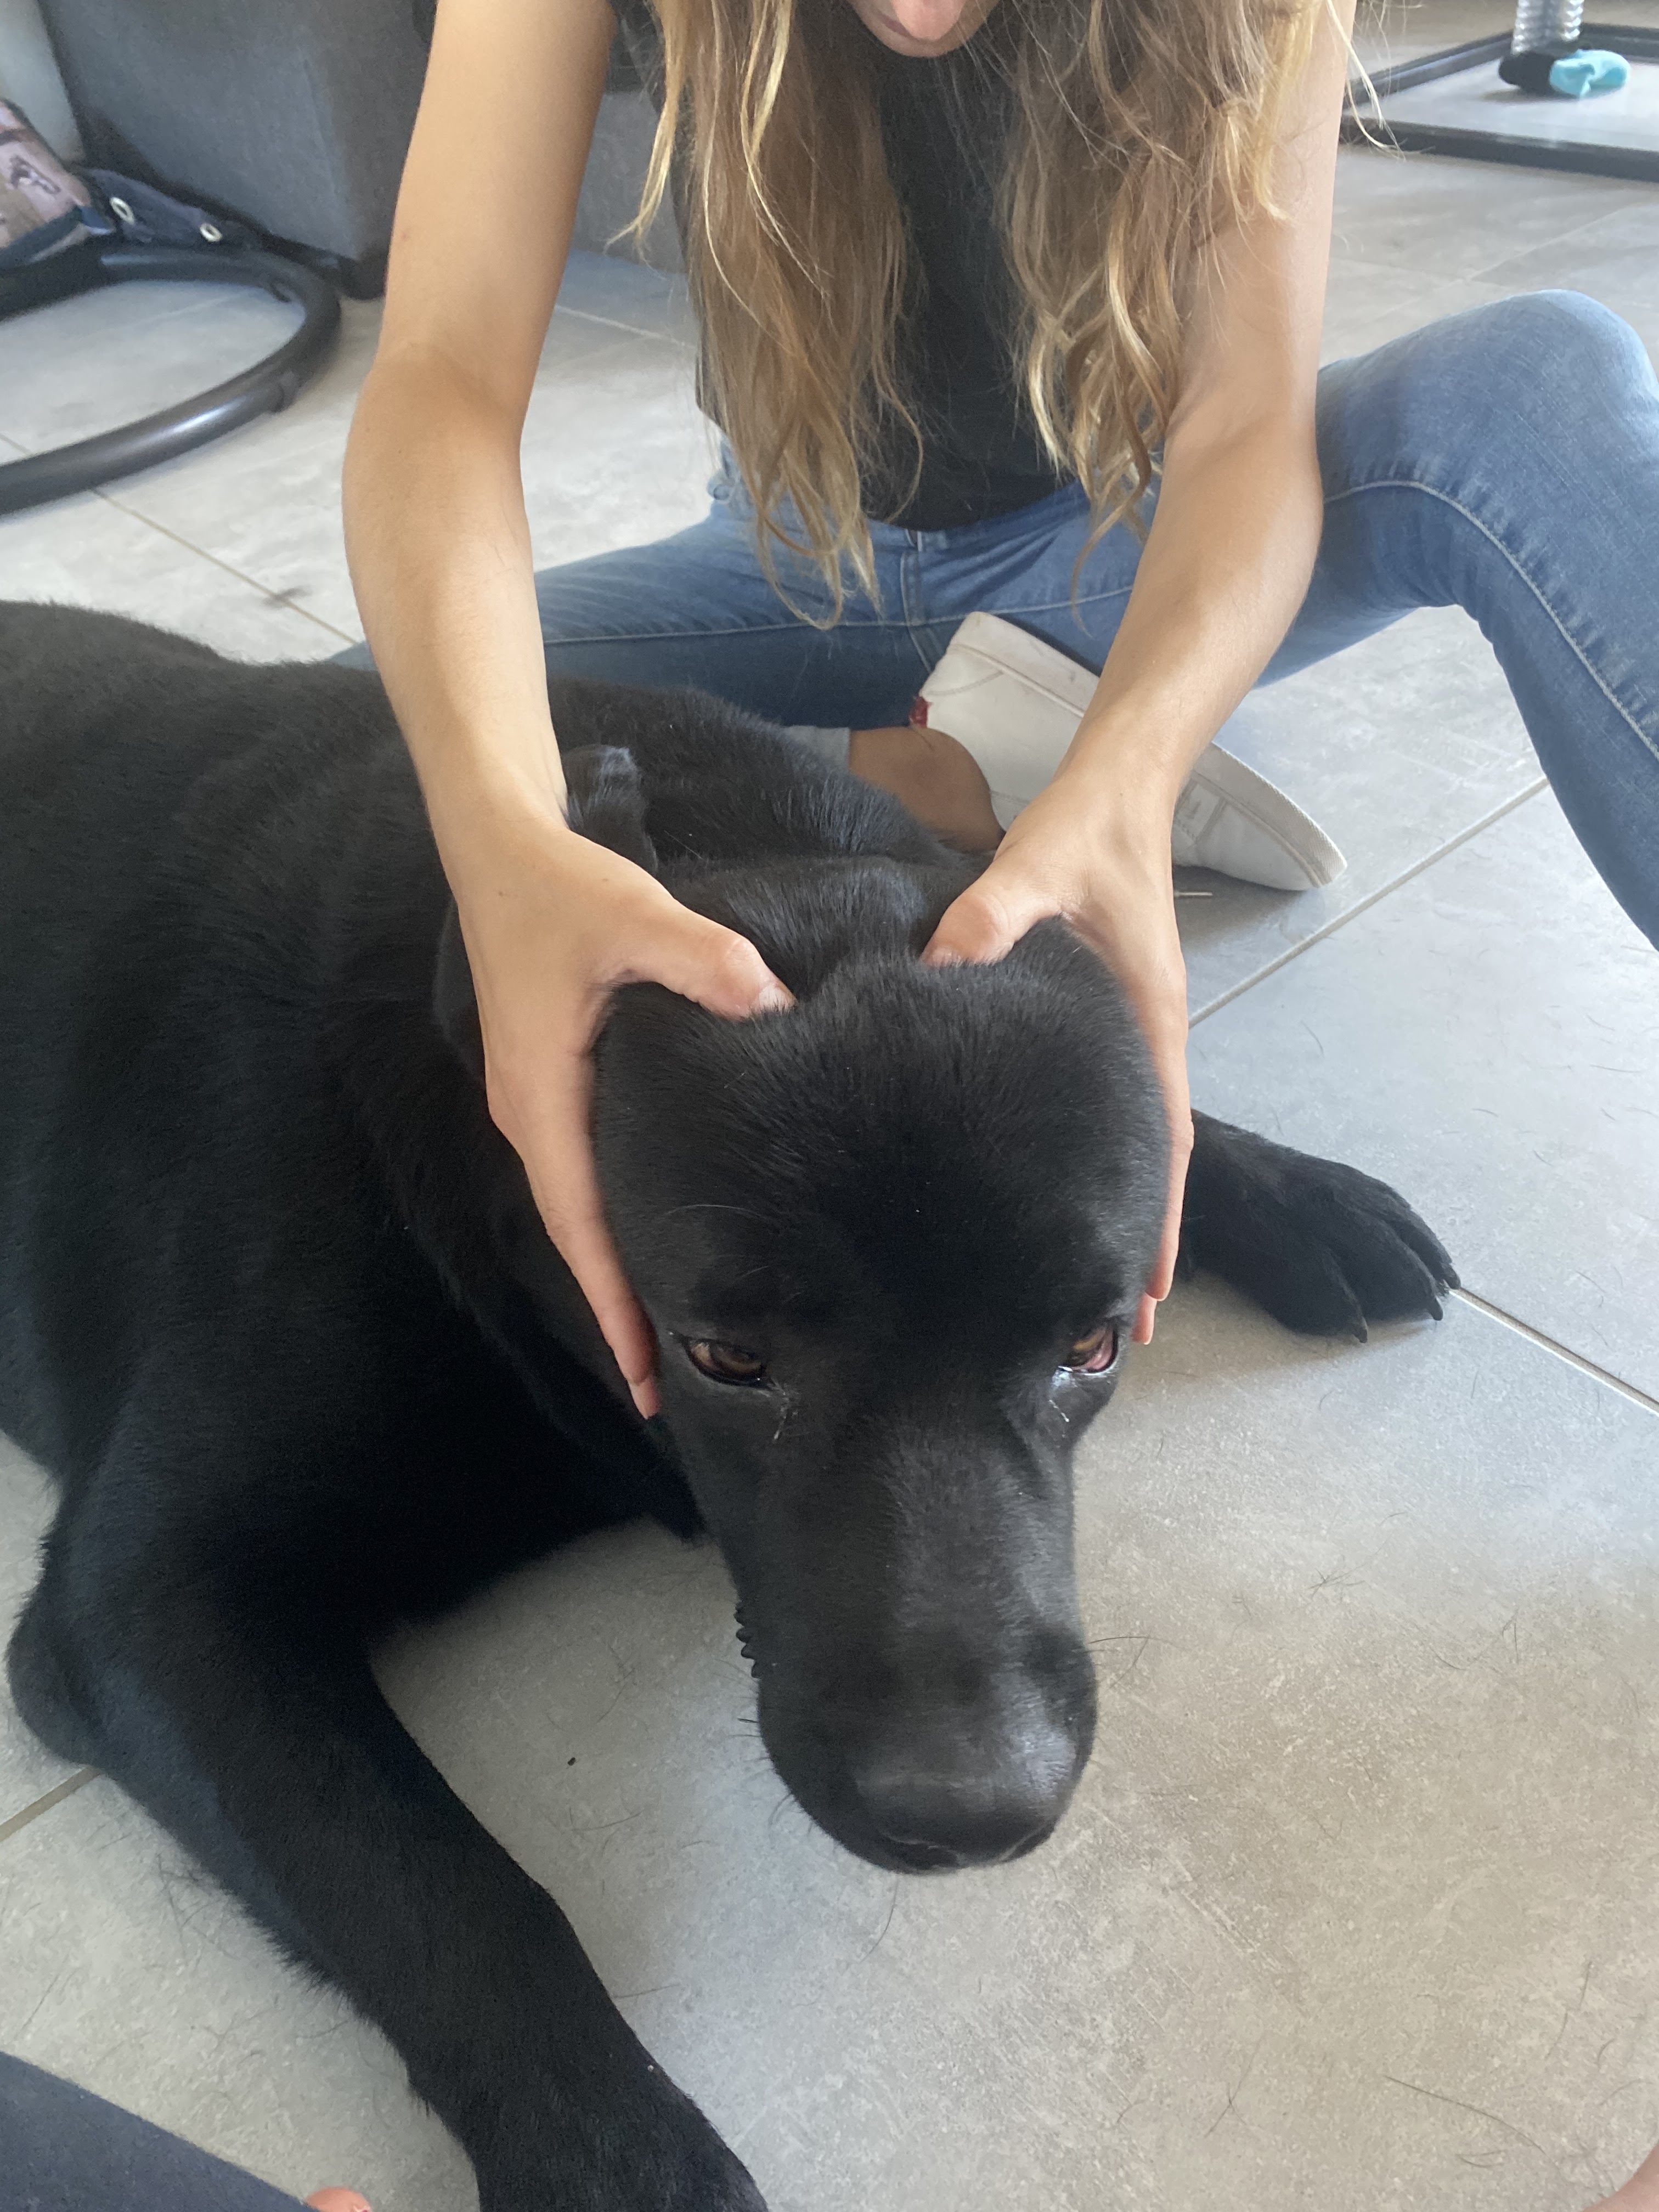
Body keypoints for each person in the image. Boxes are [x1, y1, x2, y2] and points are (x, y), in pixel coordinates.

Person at [341, 0, 1657, 1417]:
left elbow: (1240, 425)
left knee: (1535, 383)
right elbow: (442, 375)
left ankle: (1050, 747)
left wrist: (1133, 775)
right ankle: (913, 764)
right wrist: (499, 843)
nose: (921, 14)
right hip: (787, 562)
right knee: (377, 712)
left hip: (1110, 544)